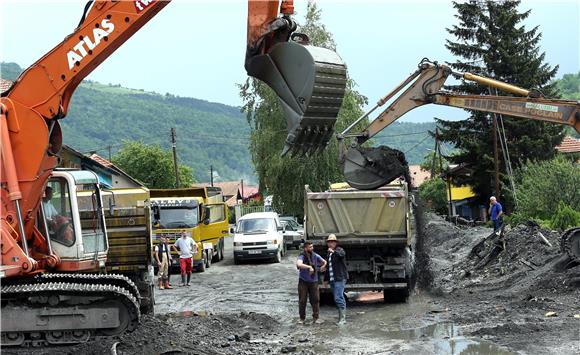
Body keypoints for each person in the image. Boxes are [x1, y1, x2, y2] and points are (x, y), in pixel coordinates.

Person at [296, 241, 327, 324]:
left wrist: (323, 266)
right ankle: (302, 318)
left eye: (312, 247)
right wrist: (309, 267)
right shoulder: (302, 256)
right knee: (302, 300)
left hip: (314, 281)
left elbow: (324, 261)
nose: (312, 248)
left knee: (316, 300)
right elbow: (299, 264)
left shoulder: (315, 255)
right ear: (305, 248)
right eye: (310, 247)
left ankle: (316, 318)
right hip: (303, 282)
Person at [324, 234, 348, 325]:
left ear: (335, 243)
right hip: (332, 279)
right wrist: (326, 279)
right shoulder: (329, 253)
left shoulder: (339, 250)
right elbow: (329, 267)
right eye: (329, 242)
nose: (330, 244)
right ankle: (340, 318)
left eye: (332, 242)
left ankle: (343, 319)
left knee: (338, 297)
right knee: (336, 297)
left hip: (340, 278)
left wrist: (333, 252)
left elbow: (342, 255)